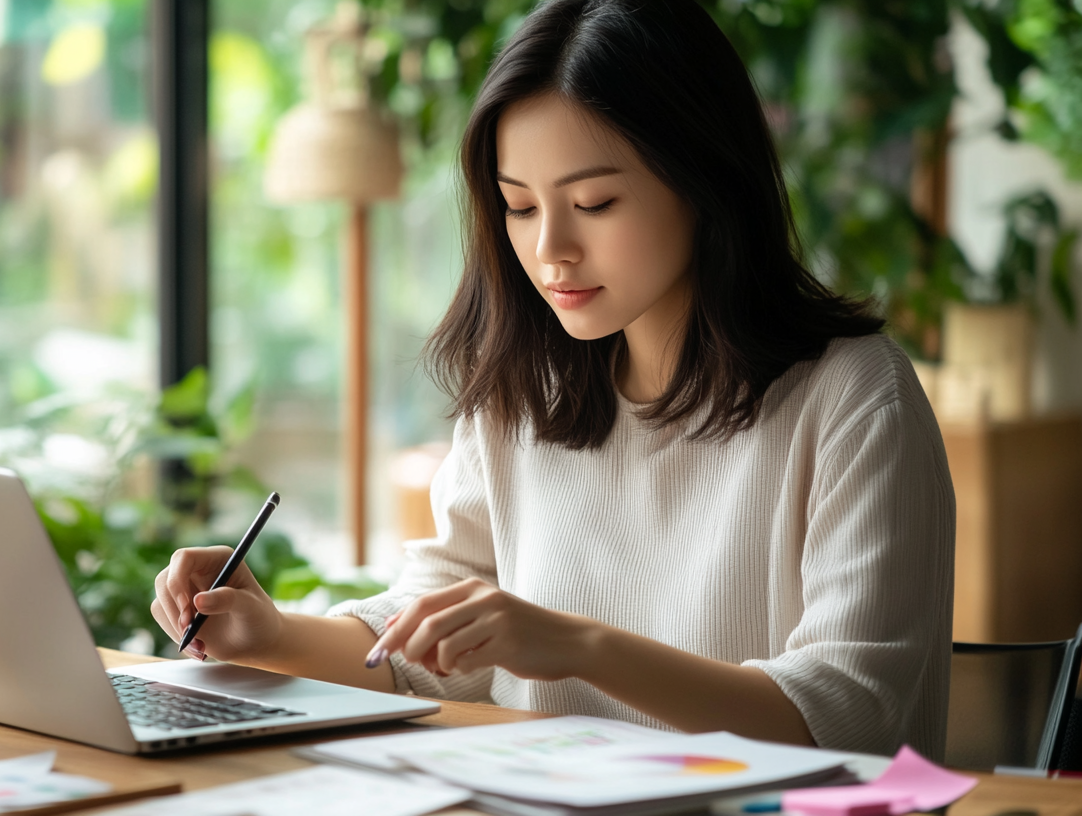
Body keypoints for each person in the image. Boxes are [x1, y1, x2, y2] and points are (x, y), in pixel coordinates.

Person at [150, 0, 955, 758]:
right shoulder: (526, 390)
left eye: (595, 202)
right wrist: (275, 634)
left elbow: (853, 716)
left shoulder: (853, 397)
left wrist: (577, 645)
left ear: (706, 183)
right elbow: (435, 639)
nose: (550, 250)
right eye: (520, 206)